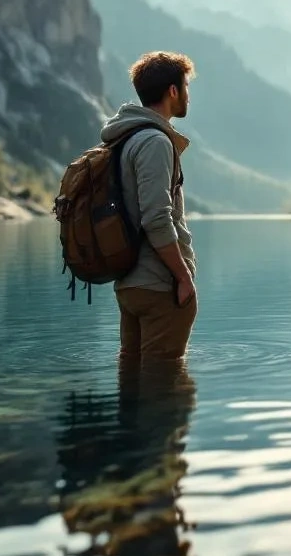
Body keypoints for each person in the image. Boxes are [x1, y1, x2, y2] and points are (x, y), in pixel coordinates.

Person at [99, 51, 198, 362]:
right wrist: (183, 278)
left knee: (131, 380)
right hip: (158, 285)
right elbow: (156, 218)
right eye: (185, 86)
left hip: (129, 283)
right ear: (172, 91)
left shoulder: (124, 137)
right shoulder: (154, 142)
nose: (187, 95)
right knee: (163, 387)